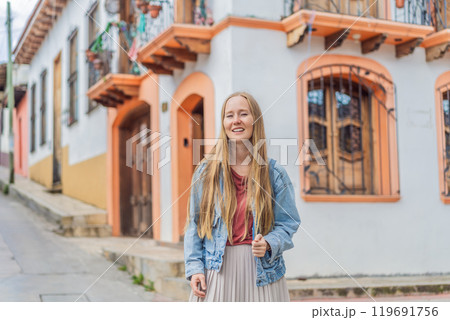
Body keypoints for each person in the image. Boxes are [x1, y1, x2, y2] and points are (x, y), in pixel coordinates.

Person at [184, 92, 300, 302]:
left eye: (243, 114)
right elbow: (194, 224)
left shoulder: (274, 174)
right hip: (216, 272)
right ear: (224, 123)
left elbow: (288, 223)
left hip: (263, 272)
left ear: (255, 120)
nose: (236, 120)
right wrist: (194, 268)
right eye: (229, 115)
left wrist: (269, 243)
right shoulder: (206, 172)